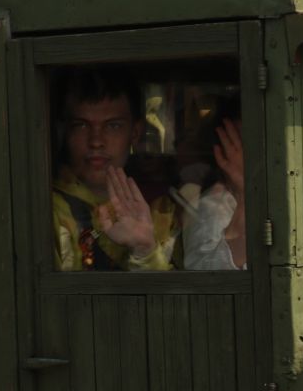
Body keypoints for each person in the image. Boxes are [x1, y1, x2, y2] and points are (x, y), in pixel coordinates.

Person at [52, 69, 245, 271]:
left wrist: (145, 250)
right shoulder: (46, 210)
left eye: (113, 126)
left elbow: (185, 297)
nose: (96, 141)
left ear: (135, 133)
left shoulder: (163, 210)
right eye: (81, 126)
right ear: (64, 132)